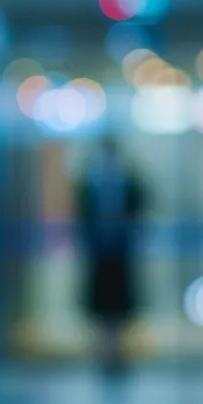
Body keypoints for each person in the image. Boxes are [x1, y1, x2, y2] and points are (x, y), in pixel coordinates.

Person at [75, 137, 147, 381]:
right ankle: (105, 352)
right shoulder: (90, 185)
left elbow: (140, 209)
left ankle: (115, 353)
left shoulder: (127, 183)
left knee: (118, 306)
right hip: (100, 255)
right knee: (102, 307)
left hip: (120, 254)